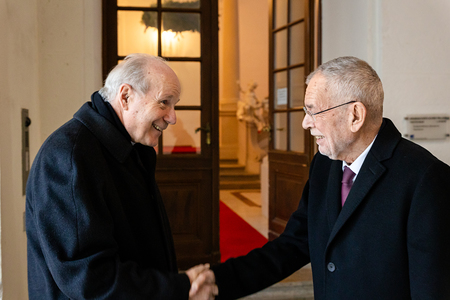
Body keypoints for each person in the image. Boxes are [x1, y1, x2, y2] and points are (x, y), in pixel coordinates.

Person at [194, 56, 450, 299]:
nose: (306, 123)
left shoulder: (426, 179)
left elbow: (431, 288)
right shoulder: (324, 165)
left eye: (313, 111)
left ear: (355, 116)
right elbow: (293, 245)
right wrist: (218, 281)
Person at [26, 53, 218, 299]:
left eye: (174, 104)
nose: (172, 117)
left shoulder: (133, 147)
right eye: (164, 102)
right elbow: (90, 279)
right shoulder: (68, 157)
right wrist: (176, 288)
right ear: (126, 96)